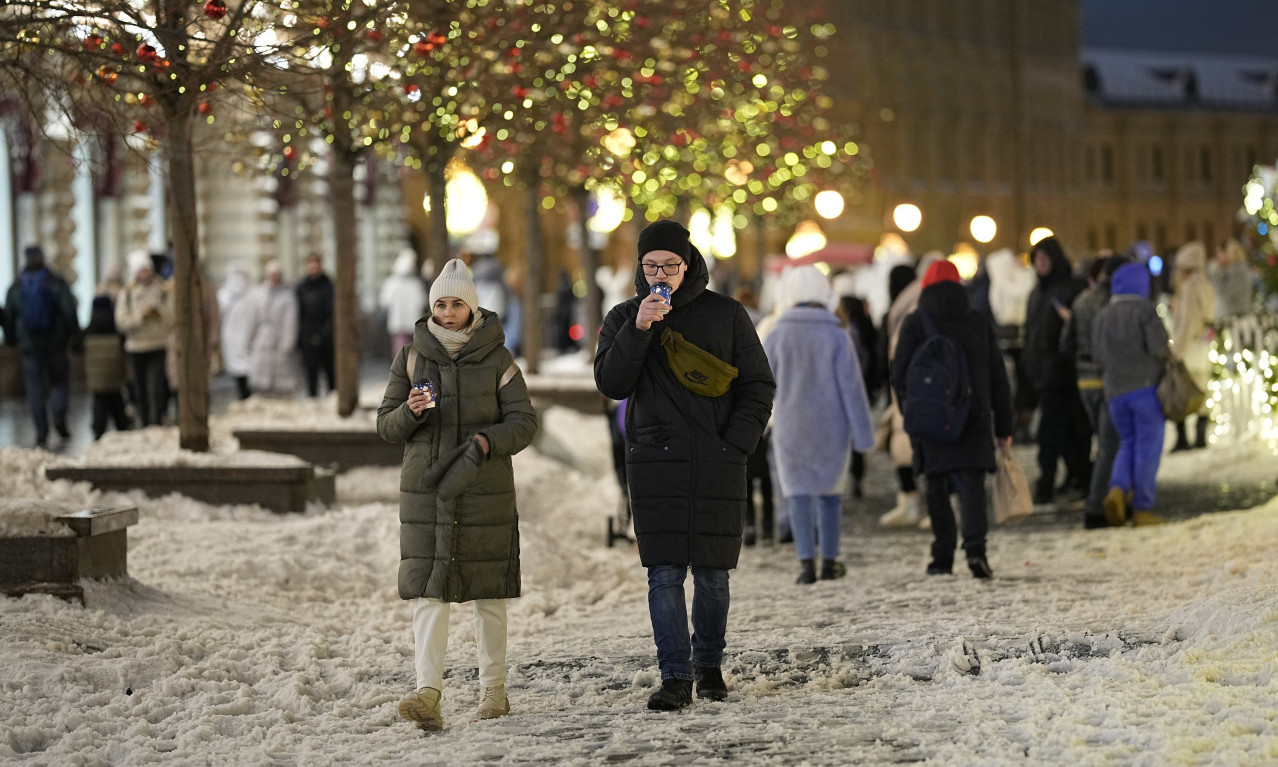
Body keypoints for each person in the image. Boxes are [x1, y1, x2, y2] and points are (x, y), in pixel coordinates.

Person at [594, 220, 774, 711]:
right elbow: (612, 383)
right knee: (664, 573)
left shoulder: (727, 314)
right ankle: (674, 675)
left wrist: (736, 443)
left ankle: (708, 664)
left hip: (717, 458)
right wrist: (639, 329)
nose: (661, 274)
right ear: (640, 267)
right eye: (651, 265)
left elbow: (758, 384)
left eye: (670, 265)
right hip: (655, 462)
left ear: (687, 264)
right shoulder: (623, 317)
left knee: (714, 574)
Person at [378, 258, 537, 731]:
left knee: (489, 594)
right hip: (427, 493)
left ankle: (494, 690)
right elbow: (386, 426)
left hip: (483, 489)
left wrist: (490, 441)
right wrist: (410, 412)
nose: (448, 313)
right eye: (441, 305)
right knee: (430, 594)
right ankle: (428, 692)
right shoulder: (410, 358)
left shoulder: (498, 360)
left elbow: (524, 422)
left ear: (472, 307)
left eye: (457, 305)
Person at [892, 260, 1014, 578]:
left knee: (936, 484)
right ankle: (975, 552)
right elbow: (998, 378)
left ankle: (942, 556)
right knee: (971, 486)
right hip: (973, 416)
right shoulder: (976, 321)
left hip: (931, 417)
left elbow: (899, 373)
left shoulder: (916, 322)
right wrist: (1004, 426)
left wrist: (912, 413)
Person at [763, 266, 874, 584]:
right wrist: (863, 437)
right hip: (831, 427)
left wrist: (752, 424)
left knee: (796, 494)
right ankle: (829, 559)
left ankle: (805, 564)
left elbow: (761, 383)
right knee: (829, 495)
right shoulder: (837, 334)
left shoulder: (777, 334)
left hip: (790, 426)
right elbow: (853, 388)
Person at [1093, 262, 1170, 526]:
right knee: (1148, 449)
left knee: (1127, 443)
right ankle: (1141, 508)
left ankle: (1117, 489)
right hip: (1145, 389)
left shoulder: (1103, 315)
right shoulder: (1145, 310)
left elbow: (1098, 355)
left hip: (1115, 392)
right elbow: (1160, 349)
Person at [1022, 237, 1090, 504]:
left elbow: (1075, 330)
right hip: (1043, 374)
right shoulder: (1036, 293)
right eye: (1036, 260)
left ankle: (1048, 482)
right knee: (1060, 432)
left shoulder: (1070, 289)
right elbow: (1032, 334)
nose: (1040, 265)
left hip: (1064, 374)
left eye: (1044, 259)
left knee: (1054, 432)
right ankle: (1074, 476)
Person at [1060, 255, 1126, 529]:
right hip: (1108, 379)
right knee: (1110, 446)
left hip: (1084, 381)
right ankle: (1096, 506)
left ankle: (1110, 498)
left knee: (1105, 442)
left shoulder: (1082, 299)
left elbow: (1066, 343)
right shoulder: (1113, 303)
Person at [2, 245, 80, 448]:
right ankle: (59, 418)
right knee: (59, 382)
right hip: (55, 342)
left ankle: (41, 432)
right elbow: (68, 310)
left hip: (29, 346)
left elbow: (9, 316)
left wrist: (10, 340)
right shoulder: (54, 281)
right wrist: (75, 335)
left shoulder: (17, 285)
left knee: (35, 388)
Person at [115, 250, 173, 427]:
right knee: (140, 388)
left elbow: (172, 318)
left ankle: (156, 420)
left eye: (147, 269)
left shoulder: (162, 290)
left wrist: (159, 314)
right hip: (136, 346)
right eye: (141, 270)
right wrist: (142, 317)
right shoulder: (127, 294)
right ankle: (145, 421)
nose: (145, 274)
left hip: (157, 344)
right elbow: (121, 322)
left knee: (156, 387)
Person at [1169, 242, 1217, 452]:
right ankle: (1200, 438)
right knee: (1202, 393)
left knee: (1180, 392)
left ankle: (1183, 439)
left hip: (1189, 350)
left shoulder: (1189, 289)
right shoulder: (1206, 285)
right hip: (1204, 348)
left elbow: (1186, 323)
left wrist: (1175, 351)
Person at [244, 260, 299, 397]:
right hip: (262, 340)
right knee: (261, 376)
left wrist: (287, 343)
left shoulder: (287, 296)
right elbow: (252, 318)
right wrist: (249, 340)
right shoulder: (257, 294)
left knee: (281, 376)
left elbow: (290, 322)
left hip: (279, 339)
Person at [83, 294, 132, 440]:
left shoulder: (90, 327)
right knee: (116, 398)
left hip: (97, 376)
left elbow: (76, 344)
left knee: (99, 400)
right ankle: (121, 426)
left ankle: (99, 429)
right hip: (114, 372)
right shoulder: (114, 324)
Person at [295, 255, 335, 397]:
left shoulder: (329, 285)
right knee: (311, 373)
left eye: (315, 264)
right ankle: (313, 399)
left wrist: (325, 333)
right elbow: (298, 314)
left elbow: (333, 313)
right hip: (308, 337)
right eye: (310, 264)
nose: (313, 267)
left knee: (331, 372)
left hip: (328, 338)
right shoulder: (301, 287)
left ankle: (332, 398)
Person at [380, 248, 428, 357]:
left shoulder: (391, 282)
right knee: (412, 351)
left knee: (399, 351)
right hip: (412, 324)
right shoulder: (415, 283)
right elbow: (423, 302)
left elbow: (384, 301)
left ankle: (400, 371)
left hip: (398, 323)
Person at [218, 264, 255, 400]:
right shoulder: (224, 295)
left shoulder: (251, 294)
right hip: (230, 335)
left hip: (247, 334)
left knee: (249, 366)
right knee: (236, 367)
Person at [1209, 238, 1253, 319]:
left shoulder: (1238, 272)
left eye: (1219, 252)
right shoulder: (1231, 272)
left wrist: (1216, 272)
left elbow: (1225, 294)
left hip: (1234, 319)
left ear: (1228, 253)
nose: (1217, 257)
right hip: (1230, 317)